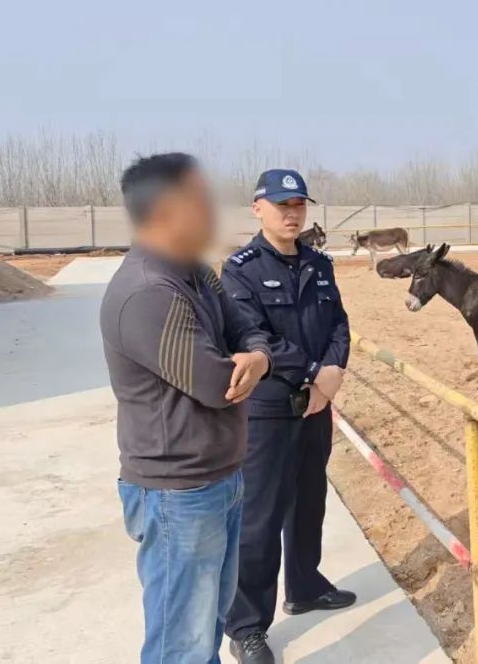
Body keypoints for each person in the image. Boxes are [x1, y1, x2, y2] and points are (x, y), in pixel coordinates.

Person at [100, 153, 273, 664]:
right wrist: (247, 363)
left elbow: (246, 328)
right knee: (182, 641)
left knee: (208, 623)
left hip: (218, 476)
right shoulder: (148, 292)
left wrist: (258, 356)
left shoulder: (194, 271)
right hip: (179, 492)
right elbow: (219, 384)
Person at [221, 169, 354, 664]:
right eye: (281, 205)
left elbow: (338, 322)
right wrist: (316, 372)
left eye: (298, 204)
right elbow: (253, 336)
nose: (291, 214)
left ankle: (305, 586)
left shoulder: (319, 265)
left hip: (315, 406)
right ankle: (247, 626)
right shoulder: (240, 270)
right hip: (269, 410)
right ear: (258, 208)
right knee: (259, 518)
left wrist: (334, 369)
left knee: (308, 502)